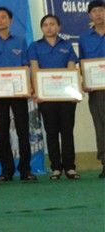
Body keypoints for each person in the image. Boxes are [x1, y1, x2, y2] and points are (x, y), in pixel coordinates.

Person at [0, 7, 36, 181]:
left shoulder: (20, 41)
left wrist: (27, 87)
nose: (0, 20)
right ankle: (7, 170)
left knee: (23, 131)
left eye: (3, 17)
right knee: (2, 132)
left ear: (10, 21)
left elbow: (25, 67)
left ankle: (25, 170)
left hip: (18, 94)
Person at [29, 14, 80, 180]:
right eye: (45, 25)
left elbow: (71, 70)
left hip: (66, 98)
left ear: (59, 27)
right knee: (51, 133)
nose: (49, 27)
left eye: (52, 24)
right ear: (41, 28)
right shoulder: (35, 46)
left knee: (67, 132)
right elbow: (35, 70)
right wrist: (38, 93)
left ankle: (70, 167)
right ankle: (56, 168)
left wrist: (74, 93)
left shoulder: (67, 45)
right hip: (46, 98)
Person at [78, 0, 105, 178]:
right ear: (89, 15)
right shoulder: (84, 38)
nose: (98, 14)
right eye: (94, 11)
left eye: (101, 10)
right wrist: (85, 81)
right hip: (96, 90)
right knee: (101, 126)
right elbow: (83, 63)